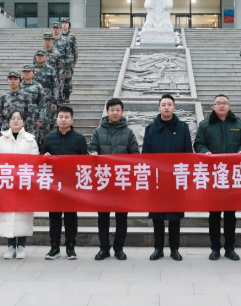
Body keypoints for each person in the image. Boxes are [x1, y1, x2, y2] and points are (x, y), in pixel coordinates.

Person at [194, 94, 241, 261]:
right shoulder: (205, 125)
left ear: (229, 106)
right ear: (213, 106)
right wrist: (205, 152)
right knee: (214, 214)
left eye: (224, 103)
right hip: (214, 176)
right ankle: (215, 248)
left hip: (232, 176)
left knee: (230, 215)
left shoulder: (239, 124)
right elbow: (198, 144)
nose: (221, 106)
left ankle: (230, 248)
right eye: (218, 103)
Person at [142, 94, 193, 261]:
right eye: (163, 104)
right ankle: (158, 249)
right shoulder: (150, 129)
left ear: (174, 107)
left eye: (169, 104)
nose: (166, 107)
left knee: (175, 217)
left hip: (176, 179)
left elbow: (188, 154)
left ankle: (174, 249)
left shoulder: (183, 128)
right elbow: (145, 156)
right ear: (159, 108)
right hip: (157, 180)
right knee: (157, 217)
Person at [89, 98, 140, 261]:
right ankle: (104, 248)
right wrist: (93, 153)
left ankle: (119, 248)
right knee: (103, 217)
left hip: (121, 181)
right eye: (112, 109)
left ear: (122, 112)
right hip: (103, 181)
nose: (115, 112)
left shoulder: (128, 132)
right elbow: (92, 147)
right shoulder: (98, 131)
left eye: (118, 110)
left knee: (121, 217)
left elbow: (135, 153)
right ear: (107, 112)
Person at [40, 105, 88, 260]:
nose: (63, 120)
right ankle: (54, 247)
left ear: (72, 120)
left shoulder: (79, 139)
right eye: (61, 117)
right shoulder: (49, 138)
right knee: (54, 217)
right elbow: (40, 158)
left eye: (67, 117)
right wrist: (44, 157)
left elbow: (84, 162)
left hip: (71, 185)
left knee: (70, 217)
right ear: (57, 119)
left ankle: (70, 247)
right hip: (54, 185)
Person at [0, 110, 40, 259]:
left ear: (23, 121)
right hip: (6, 183)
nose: (15, 120)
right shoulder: (1, 140)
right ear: (8, 121)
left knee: (23, 216)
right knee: (7, 215)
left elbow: (35, 162)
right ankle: (10, 246)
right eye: (13, 118)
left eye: (19, 118)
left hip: (24, 184)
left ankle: (21, 247)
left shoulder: (30, 140)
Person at [33, 48, 59, 135]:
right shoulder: (31, 69)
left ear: (45, 57)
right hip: (34, 99)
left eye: (42, 56)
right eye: (38, 56)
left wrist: (54, 100)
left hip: (46, 98)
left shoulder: (50, 69)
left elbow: (55, 85)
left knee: (45, 121)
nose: (39, 57)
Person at [19, 64, 47, 137]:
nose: (27, 73)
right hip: (20, 115)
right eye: (25, 72)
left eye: (29, 71)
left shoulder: (38, 86)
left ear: (33, 73)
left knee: (32, 137)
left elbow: (42, 103)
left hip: (33, 116)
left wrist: (40, 119)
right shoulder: (18, 85)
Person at [41, 32, 65, 103]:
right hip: (41, 80)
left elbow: (60, 69)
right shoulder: (39, 54)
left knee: (57, 100)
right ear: (43, 40)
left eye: (49, 40)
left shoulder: (57, 54)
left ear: (52, 41)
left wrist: (58, 81)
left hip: (54, 80)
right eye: (46, 40)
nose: (47, 41)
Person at [52, 22, 72, 103]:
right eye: (54, 28)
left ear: (60, 29)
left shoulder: (64, 41)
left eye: (57, 28)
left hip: (61, 66)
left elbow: (68, 55)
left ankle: (61, 98)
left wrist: (67, 69)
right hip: (51, 65)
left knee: (61, 83)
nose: (55, 30)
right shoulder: (48, 40)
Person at [60, 18, 78, 103]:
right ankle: (60, 96)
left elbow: (75, 49)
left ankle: (67, 96)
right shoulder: (58, 36)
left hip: (69, 61)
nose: (64, 25)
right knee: (60, 79)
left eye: (66, 23)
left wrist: (74, 61)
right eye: (63, 23)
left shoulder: (72, 36)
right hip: (59, 61)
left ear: (69, 25)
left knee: (68, 79)